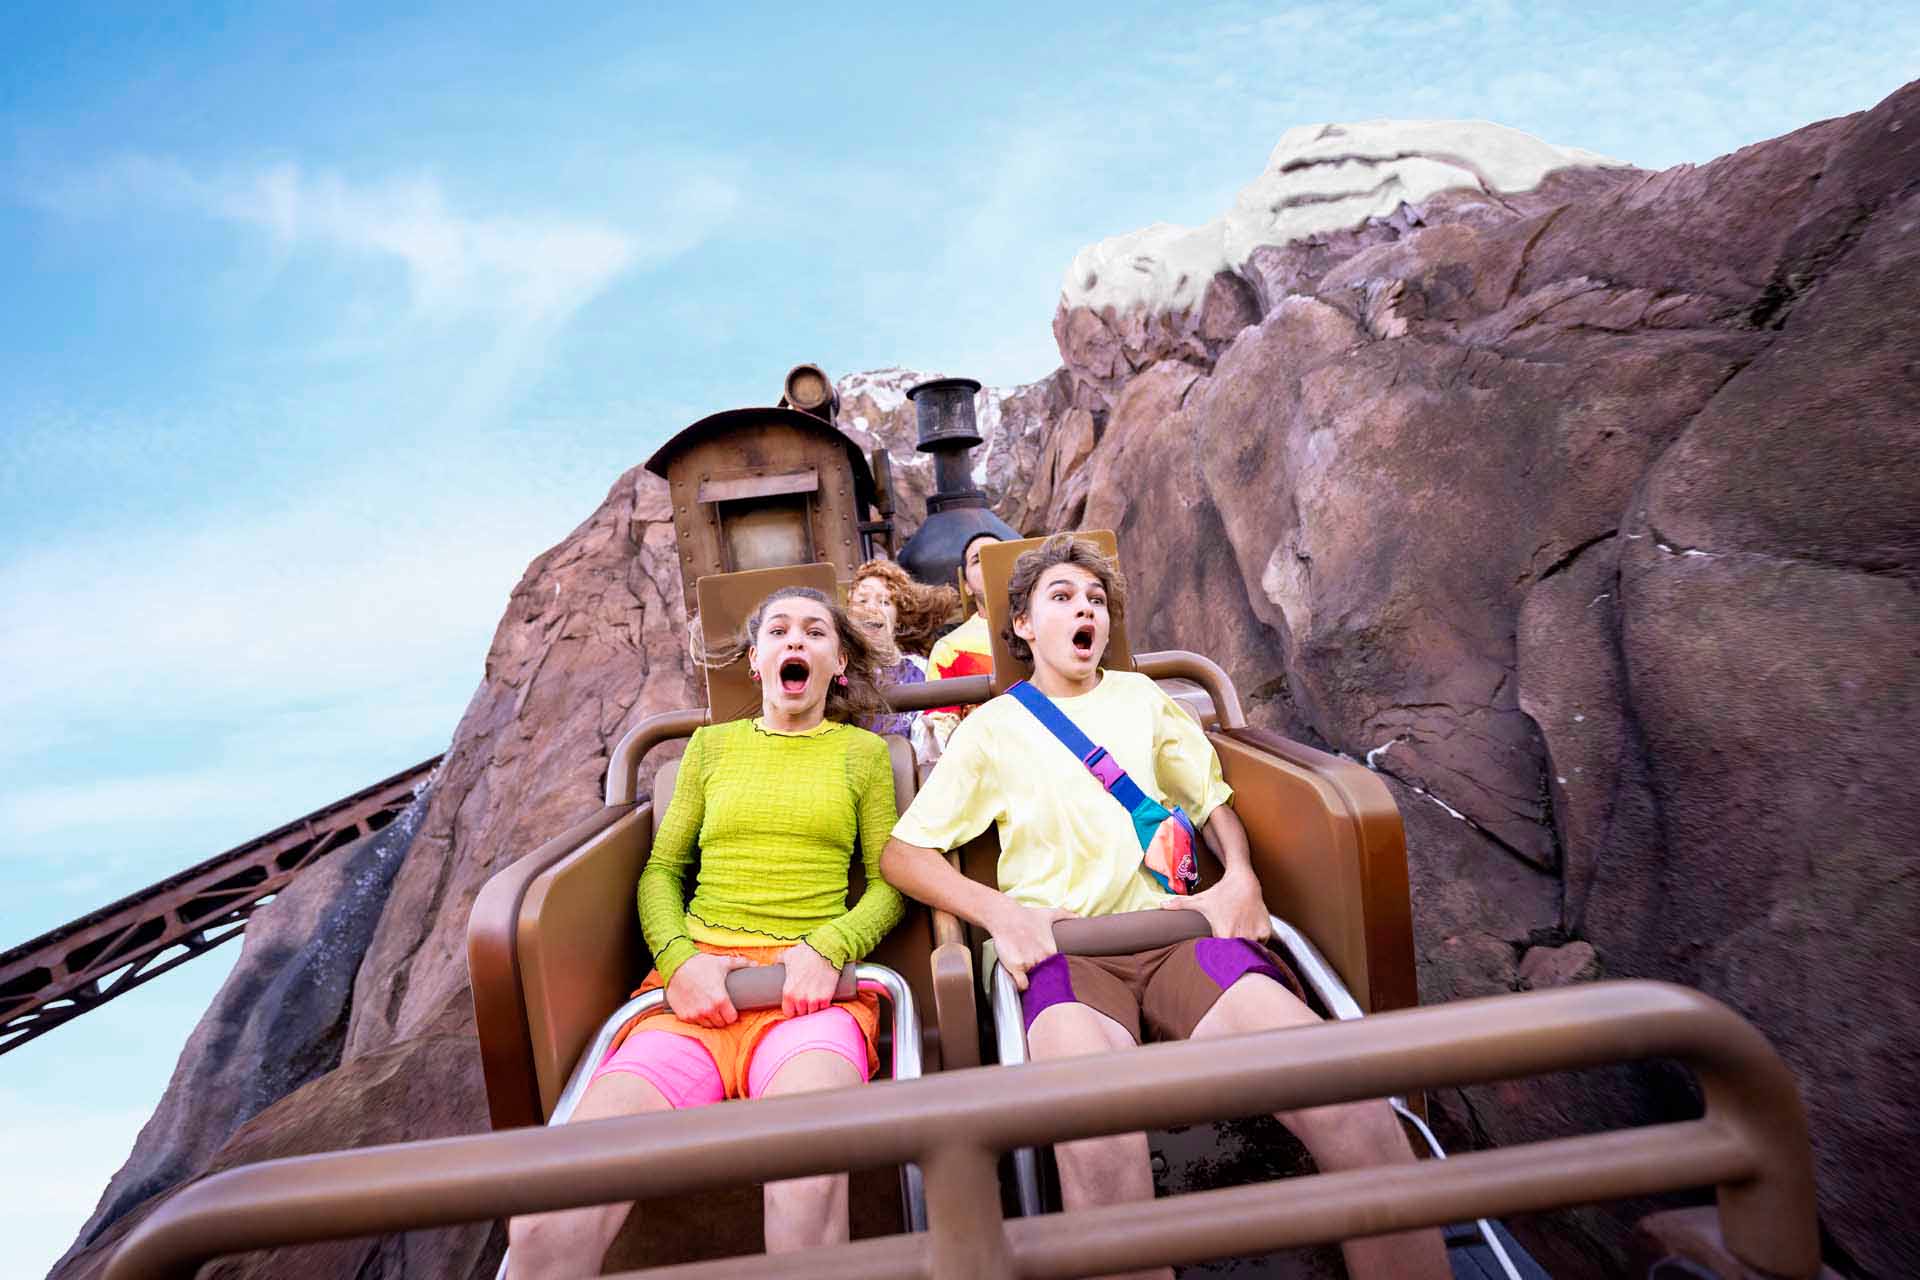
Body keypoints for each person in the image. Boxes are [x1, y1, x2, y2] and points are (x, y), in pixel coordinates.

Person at [880, 535, 1449, 1280]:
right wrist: (1000, 913)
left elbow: (1211, 801)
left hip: (1180, 940)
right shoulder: (992, 728)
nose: (1085, 610)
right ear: (1021, 624)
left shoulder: (1144, 699)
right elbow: (905, 854)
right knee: (1100, 1144)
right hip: (1069, 957)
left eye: (1095, 601)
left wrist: (1240, 876)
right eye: (1062, 597)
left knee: (1350, 1101)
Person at [508, 587, 906, 1276]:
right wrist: (681, 959)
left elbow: (890, 881)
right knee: (547, 1210)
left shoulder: (861, 756)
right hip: (694, 993)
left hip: (807, 994)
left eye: (815, 632)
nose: (795, 642)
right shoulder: (710, 748)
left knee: (806, 1180)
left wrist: (829, 947)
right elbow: (661, 871)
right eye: (778, 630)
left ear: (838, 662)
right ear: (756, 661)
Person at [848, 558, 957, 762]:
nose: (871, 608)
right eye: (862, 601)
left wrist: (931, 740)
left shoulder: (922, 669)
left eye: (885, 602)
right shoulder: (841, 670)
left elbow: (933, 735)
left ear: (898, 619)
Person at [922, 531, 1003, 748]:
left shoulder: (1051, 627)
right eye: (978, 559)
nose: (989, 563)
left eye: (996, 555)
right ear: (966, 585)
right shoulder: (949, 649)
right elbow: (940, 727)